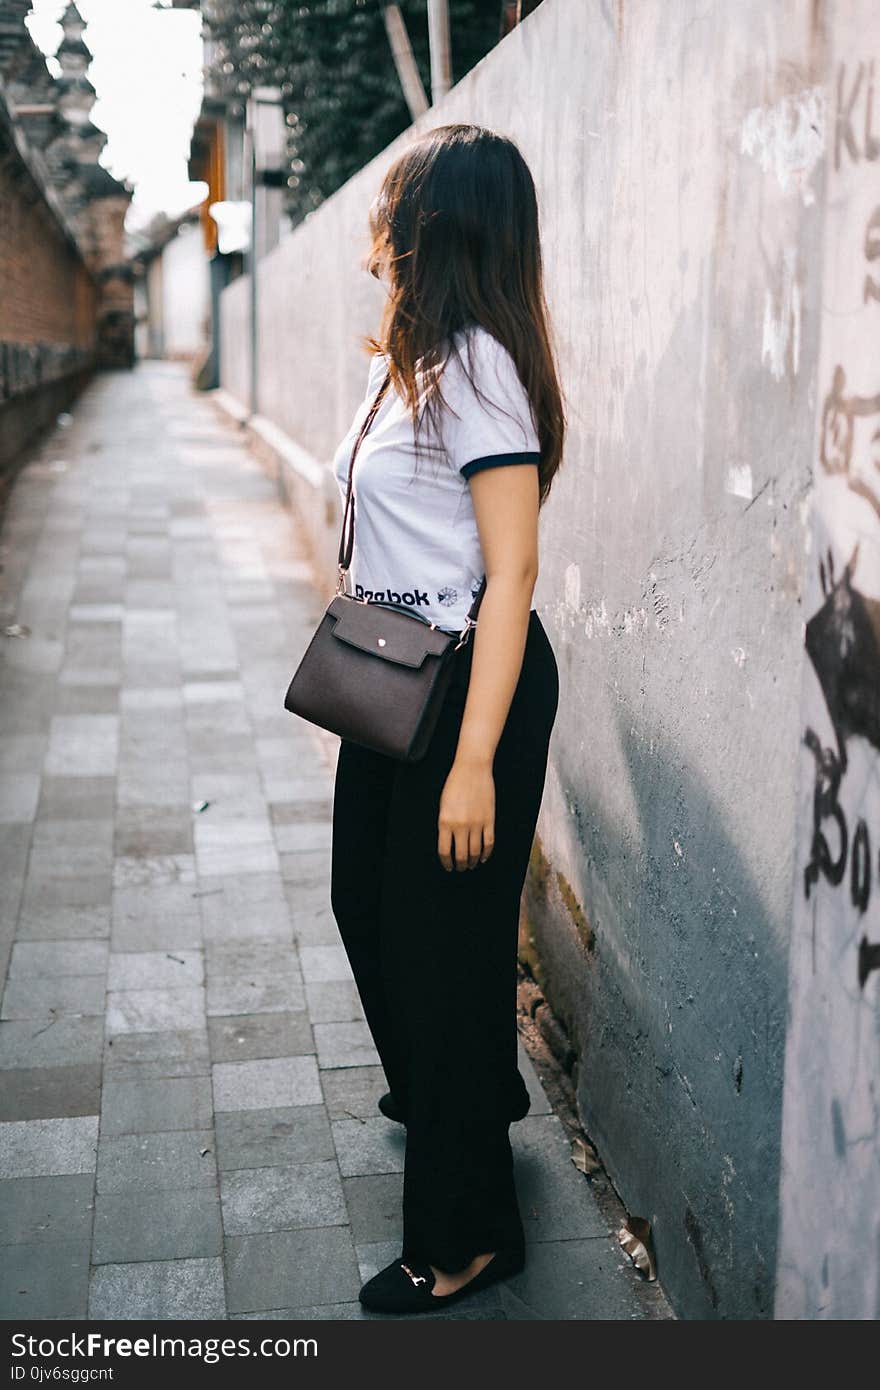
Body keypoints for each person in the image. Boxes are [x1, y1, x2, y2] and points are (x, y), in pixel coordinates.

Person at [329, 123, 566, 1315]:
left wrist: (474, 759)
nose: (377, 233)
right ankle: (459, 1097)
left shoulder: (476, 363)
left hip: (470, 687)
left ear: (437, 228)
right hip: (395, 671)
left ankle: (469, 1234)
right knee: (364, 903)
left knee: (445, 951)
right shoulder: (411, 358)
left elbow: (511, 571)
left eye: (393, 211)